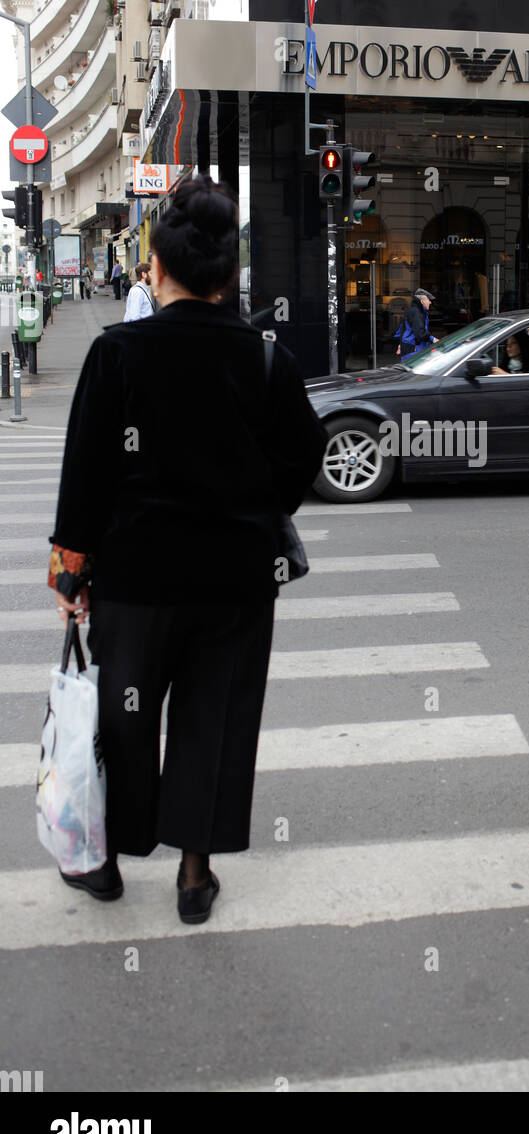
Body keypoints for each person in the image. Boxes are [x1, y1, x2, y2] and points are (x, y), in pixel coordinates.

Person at [47, 175, 327, 924]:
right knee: (215, 717)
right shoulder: (266, 360)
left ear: (157, 269)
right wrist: (253, 506)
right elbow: (304, 456)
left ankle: (104, 863)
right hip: (234, 583)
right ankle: (194, 876)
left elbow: (86, 474)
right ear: (229, 276)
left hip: (135, 582)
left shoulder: (118, 354)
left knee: (124, 720)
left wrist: (71, 571)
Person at [397, 288, 437, 358]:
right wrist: (433, 339)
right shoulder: (416, 312)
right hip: (413, 350)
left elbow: (403, 330)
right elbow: (420, 333)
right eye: (429, 300)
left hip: (411, 348)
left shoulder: (416, 311)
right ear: (422, 301)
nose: (430, 302)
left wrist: (401, 344)